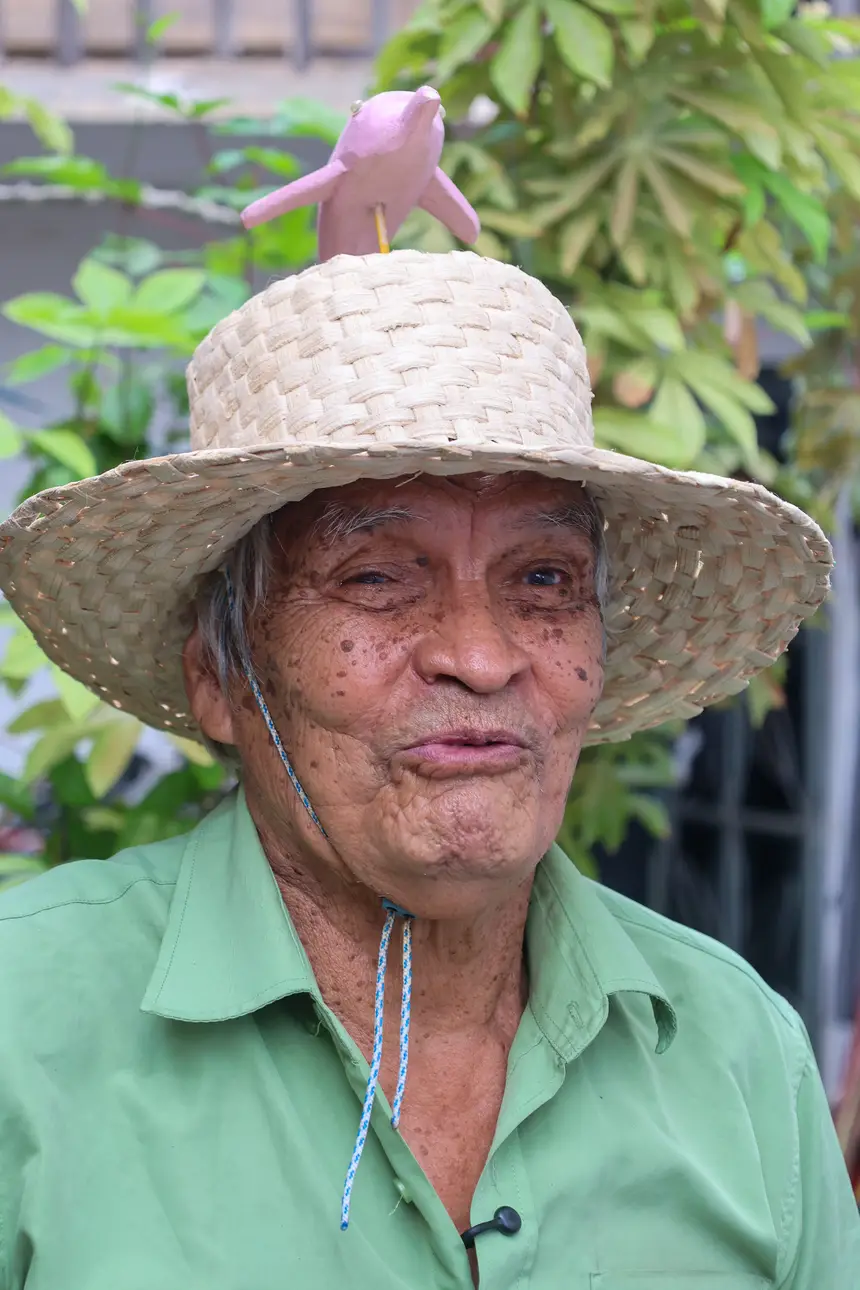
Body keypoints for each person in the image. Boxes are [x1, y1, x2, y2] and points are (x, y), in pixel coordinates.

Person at [0, 250, 856, 1289]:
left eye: (543, 580)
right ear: (221, 676)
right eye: (375, 579)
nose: (481, 657)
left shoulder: (736, 1050)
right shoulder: (24, 1023)